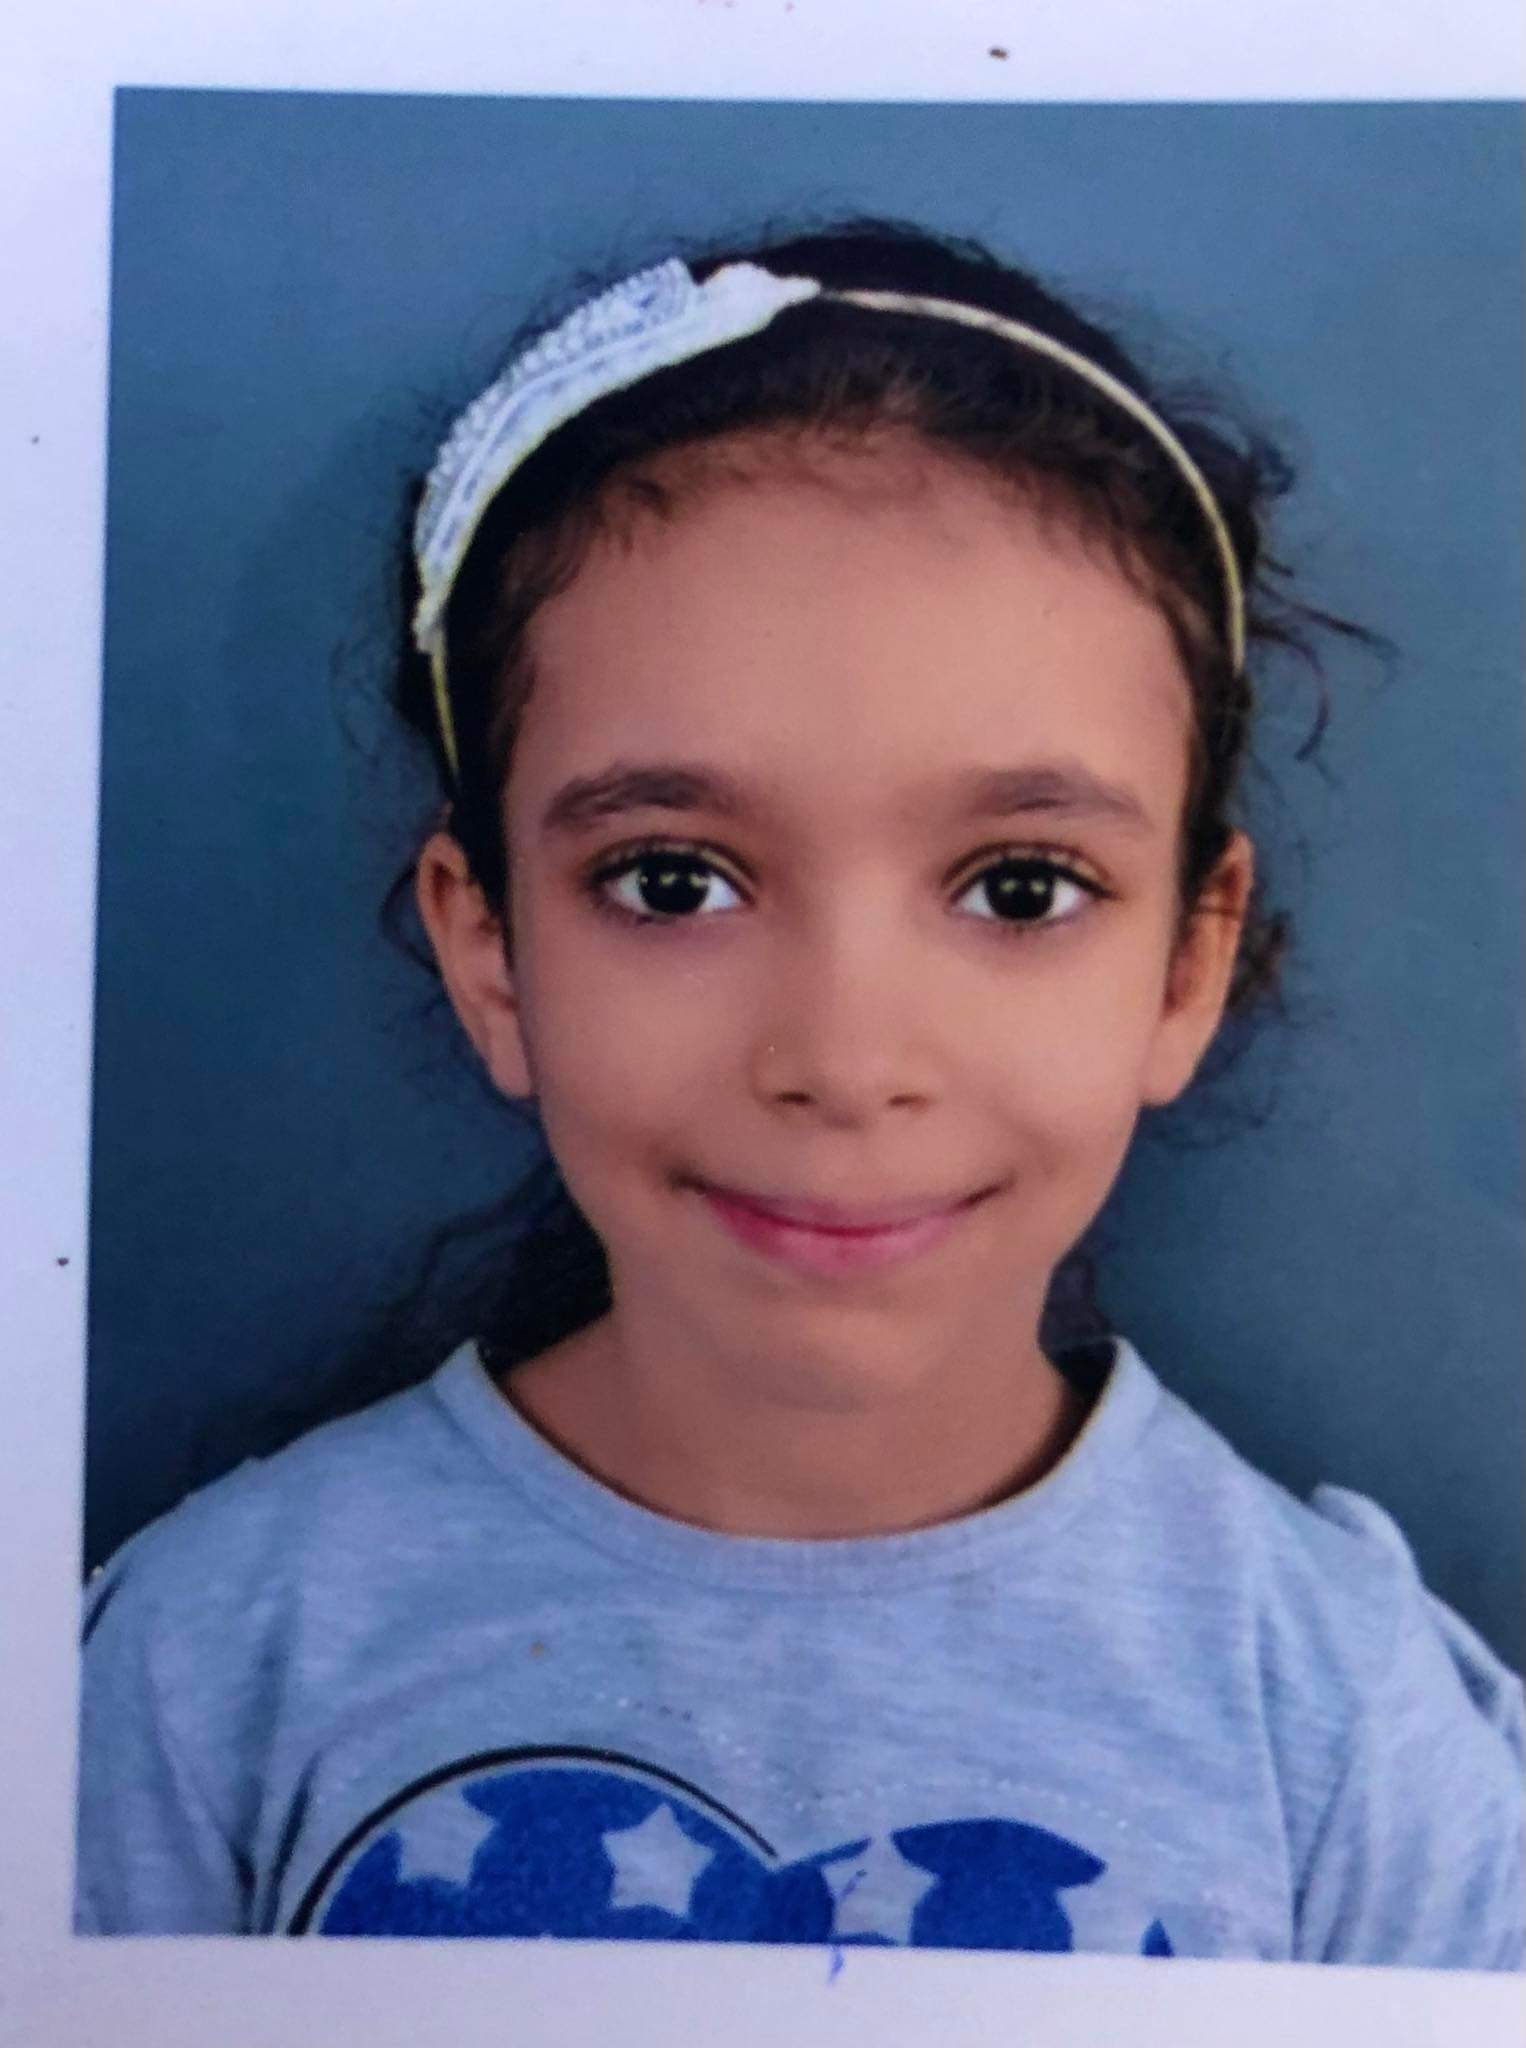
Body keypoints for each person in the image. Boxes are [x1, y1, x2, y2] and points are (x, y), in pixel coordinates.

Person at [75, 220, 1523, 1960]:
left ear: (1184, 967)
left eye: (1018, 888)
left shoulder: (1346, 1728)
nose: (842, 1061)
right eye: (672, 880)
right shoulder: (208, 1670)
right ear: (489, 953)